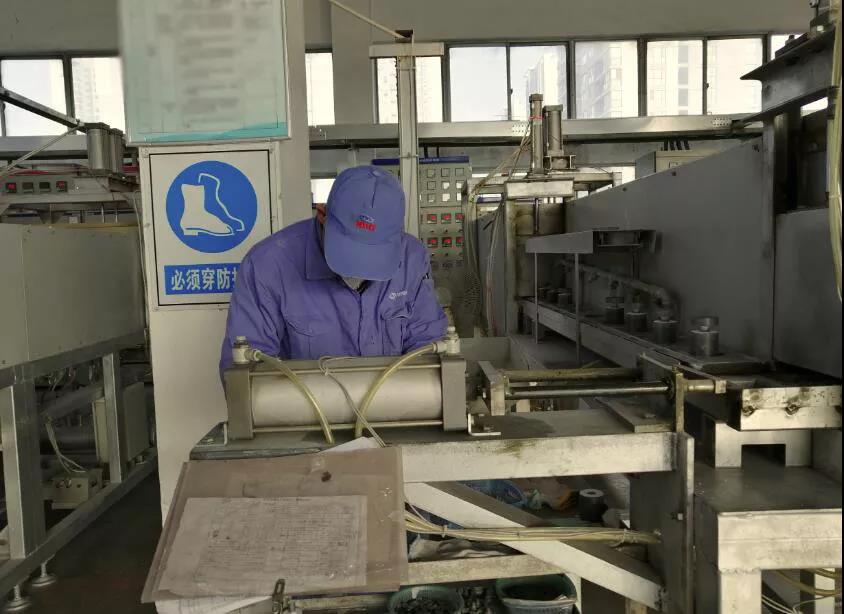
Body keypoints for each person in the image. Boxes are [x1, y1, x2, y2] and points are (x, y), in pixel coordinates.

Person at [219, 165, 448, 373]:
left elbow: (428, 348)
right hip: (307, 405)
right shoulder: (267, 266)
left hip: (399, 404)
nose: (361, 266)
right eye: (351, 248)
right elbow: (246, 371)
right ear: (322, 214)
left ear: (397, 235)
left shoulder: (411, 259)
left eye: (373, 251)